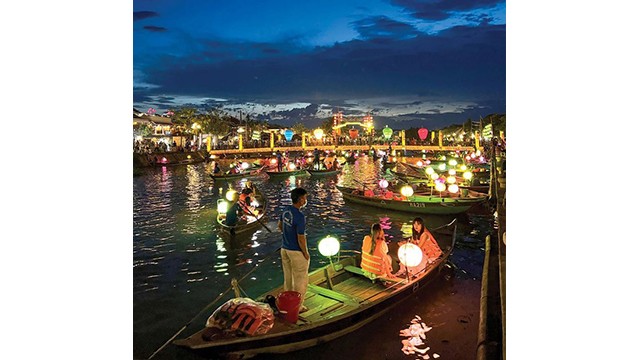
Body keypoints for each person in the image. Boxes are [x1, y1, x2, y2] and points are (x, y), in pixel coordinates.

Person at [278, 187, 310, 313]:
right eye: (305, 198)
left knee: (288, 278)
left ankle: (287, 302)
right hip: (296, 251)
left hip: (284, 249)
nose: (306, 200)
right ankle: (298, 306)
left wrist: (287, 236)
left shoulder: (286, 210)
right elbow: (301, 238)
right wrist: (305, 253)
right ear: (301, 199)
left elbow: (280, 226)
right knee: (300, 280)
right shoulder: (299, 216)